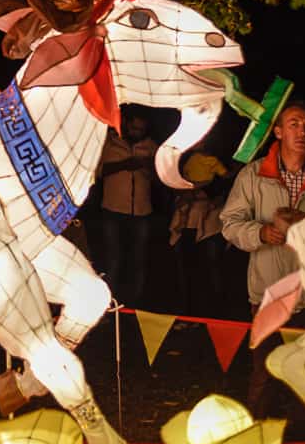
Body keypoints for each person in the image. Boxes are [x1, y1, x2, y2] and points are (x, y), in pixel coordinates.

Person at [220, 99, 305, 417]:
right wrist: (260, 234)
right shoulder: (253, 175)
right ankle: (259, 442)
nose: (303, 131)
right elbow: (229, 223)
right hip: (268, 293)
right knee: (264, 376)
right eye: (294, 124)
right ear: (277, 132)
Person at [98, 107, 157, 307]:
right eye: (134, 128)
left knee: (139, 259)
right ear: (126, 125)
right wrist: (126, 164)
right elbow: (98, 171)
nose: (137, 132)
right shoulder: (110, 143)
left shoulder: (151, 146)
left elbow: (159, 177)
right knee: (113, 258)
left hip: (141, 210)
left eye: (141, 129)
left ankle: (135, 305)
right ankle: (109, 302)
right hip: (113, 209)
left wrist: (148, 166)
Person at [169, 149, 232, 316]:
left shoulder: (218, 163)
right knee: (187, 271)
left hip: (211, 225)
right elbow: (176, 189)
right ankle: (189, 313)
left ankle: (215, 315)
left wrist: (205, 188)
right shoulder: (184, 159)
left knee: (211, 268)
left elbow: (225, 186)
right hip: (187, 224)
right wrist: (190, 190)